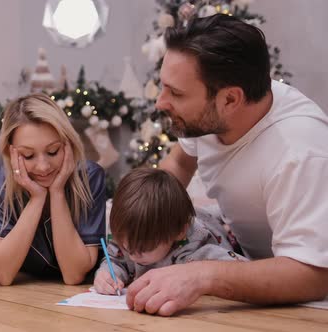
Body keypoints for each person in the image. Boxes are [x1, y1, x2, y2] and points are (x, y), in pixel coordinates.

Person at [126, 14, 328, 316]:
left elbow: (315, 275)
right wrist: (137, 218)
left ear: (231, 100)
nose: (160, 102)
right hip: (249, 271)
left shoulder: (301, 151)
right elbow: (179, 164)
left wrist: (202, 275)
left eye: (177, 93)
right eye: (163, 87)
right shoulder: (210, 114)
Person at [0, 93, 106, 285]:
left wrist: (57, 193)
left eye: (53, 151)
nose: (43, 167)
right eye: (28, 155)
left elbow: (74, 275)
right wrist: (37, 198)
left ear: (68, 144)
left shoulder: (89, 177)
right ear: (10, 151)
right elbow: (2, 275)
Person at [94, 168, 246, 295]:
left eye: (143, 248)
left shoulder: (199, 252)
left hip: (213, 223)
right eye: (126, 247)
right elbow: (115, 260)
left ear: (179, 233)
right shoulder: (128, 234)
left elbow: (242, 271)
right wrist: (106, 275)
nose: (133, 256)